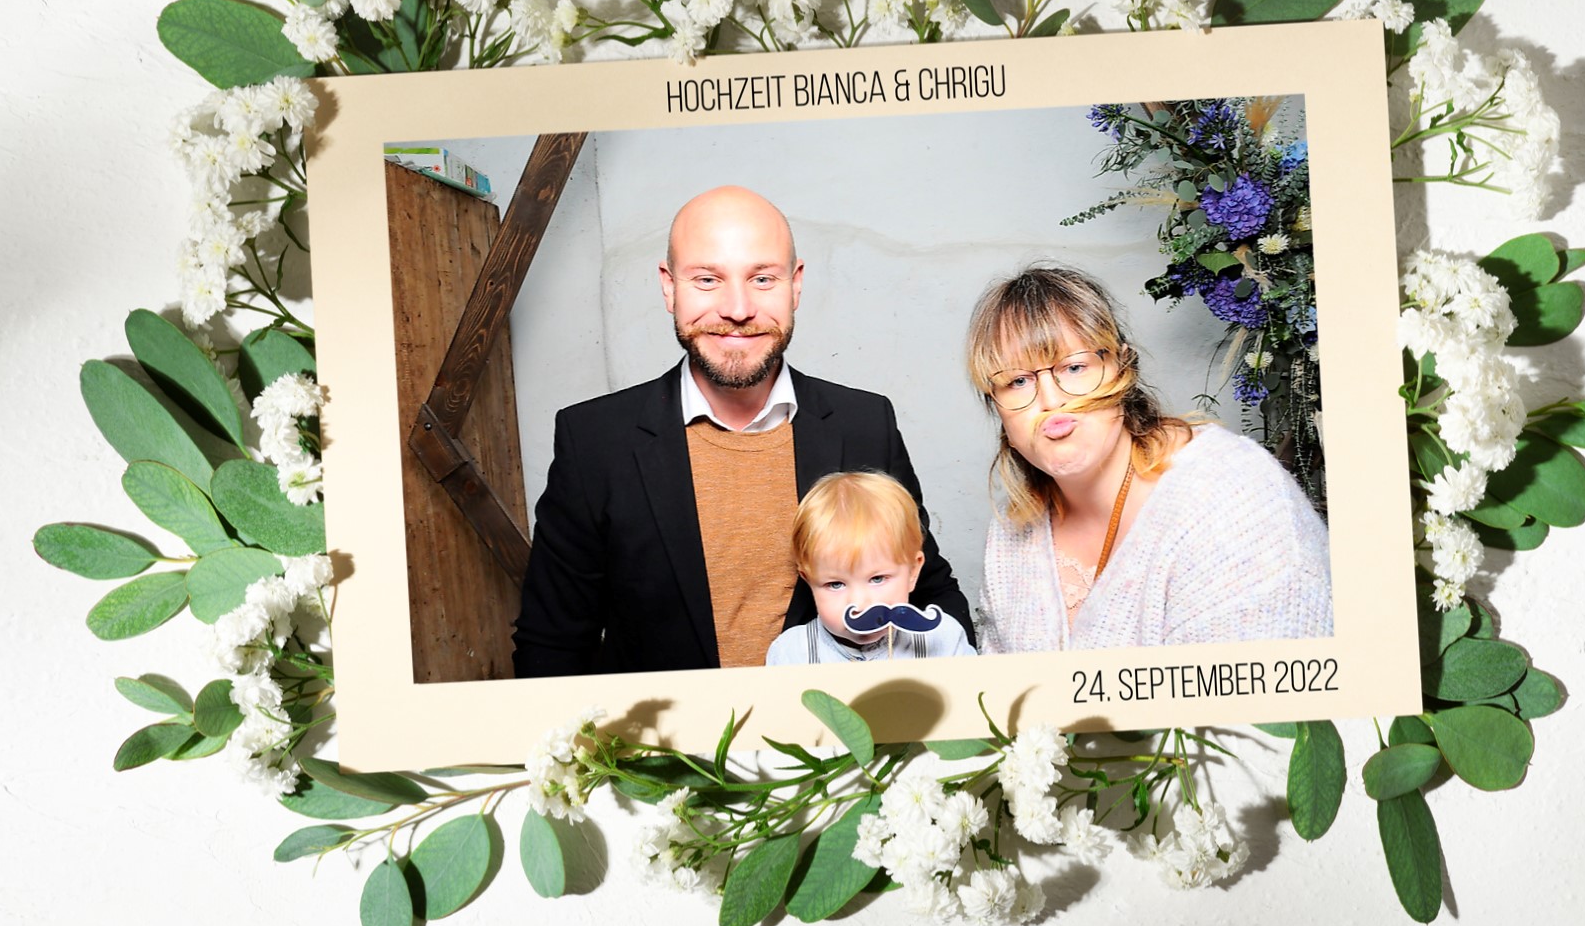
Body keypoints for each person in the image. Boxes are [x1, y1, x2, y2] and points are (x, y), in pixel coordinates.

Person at [512, 185, 973, 677]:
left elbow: (927, 589)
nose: (737, 308)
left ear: (796, 285)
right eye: (707, 279)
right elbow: (552, 644)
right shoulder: (594, 440)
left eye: (763, 278)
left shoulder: (864, 423)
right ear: (669, 287)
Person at [966, 265, 1331, 653]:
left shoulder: (1232, 493)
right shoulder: (1009, 539)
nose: (1050, 400)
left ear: (1122, 367)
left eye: (1074, 367)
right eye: (1018, 381)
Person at [766, 471, 978, 665]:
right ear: (809, 579)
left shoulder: (944, 640)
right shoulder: (791, 653)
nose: (860, 604)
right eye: (836, 584)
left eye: (877, 579)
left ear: (913, 572)